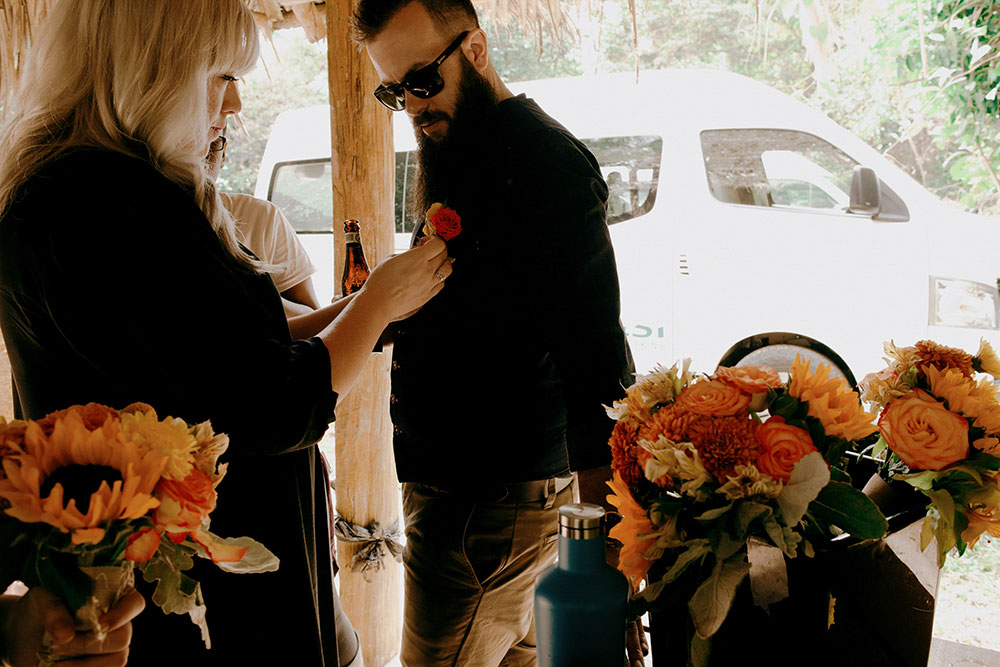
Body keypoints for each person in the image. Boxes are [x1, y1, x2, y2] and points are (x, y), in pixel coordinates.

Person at [0, 1, 451, 665]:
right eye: (220, 76)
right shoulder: (115, 205)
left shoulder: (71, 186)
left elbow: (225, 350)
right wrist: (376, 304)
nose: (235, 104)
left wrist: (364, 306)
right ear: (156, 71)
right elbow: (271, 406)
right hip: (204, 597)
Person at [352, 2, 639, 665]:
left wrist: (604, 563)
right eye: (394, 91)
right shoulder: (461, 143)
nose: (412, 107)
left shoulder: (546, 165)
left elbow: (596, 365)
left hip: (489, 506)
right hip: (471, 497)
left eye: (422, 81)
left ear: (476, 49)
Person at [205, 134, 322, 316]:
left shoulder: (260, 216)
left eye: (212, 144)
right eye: (190, 142)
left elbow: (313, 317)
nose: (202, 154)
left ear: (224, 154)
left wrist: (260, 296)